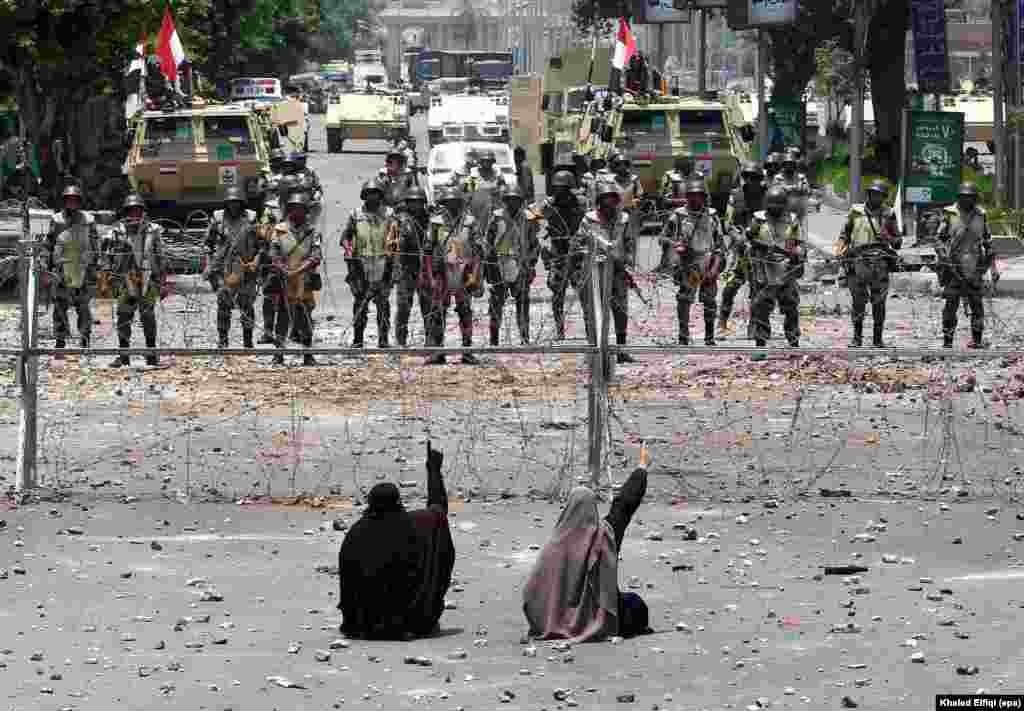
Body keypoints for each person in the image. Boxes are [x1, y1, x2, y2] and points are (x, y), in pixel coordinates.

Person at [522, 448, 652, 643]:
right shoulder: (604, 538)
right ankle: (592, 624)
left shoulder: (553, 546)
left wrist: (541, 621)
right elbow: (624, 505)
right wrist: (642, 467)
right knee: (635, 604)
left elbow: (530, 592)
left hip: (552, 622)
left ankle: (558, 624)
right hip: (597, 620)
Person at [338, 441, 455, 640]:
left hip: (362, 624)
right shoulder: (416, 525)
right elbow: (438, 509)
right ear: (398, 502)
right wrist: (434, 470)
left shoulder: (356, 533)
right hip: (411, 623)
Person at [835, 180, 902, 348]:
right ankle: (857, 338)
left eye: (879, 195)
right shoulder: (855, 212)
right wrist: (840, 251)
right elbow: (844, 235)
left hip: (879, 263)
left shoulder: (889, 214)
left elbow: (898, 243)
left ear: (884, 197)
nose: (875, 198)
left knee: (879, 303)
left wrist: (888, 237)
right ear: (869, 194)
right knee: (858, 302)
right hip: (857, 261)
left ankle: (877, 340)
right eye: (873, 194)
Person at [104, 194, 168, 367]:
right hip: (125, 279)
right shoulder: (116, 231)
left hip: (148, 279)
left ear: (143, 212)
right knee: (124, 317)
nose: (135, 214)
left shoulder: (153, 230)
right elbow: (107, 257)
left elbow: (161, 257)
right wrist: (108, 279)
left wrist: (163, 283)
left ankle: (151, 355)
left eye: (138, 210)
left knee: (148, 317)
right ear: (126, 212)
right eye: (131, 211)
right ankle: (124, 356)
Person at [577, 180, 635, 363]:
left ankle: (621, 349)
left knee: (620, 309)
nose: (610, 204)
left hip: (618, 270)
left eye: (613, 199)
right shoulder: (589, 220)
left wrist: (628, 265)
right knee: (593, 310)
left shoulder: (623, 219)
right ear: (600, 201)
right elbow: (579, 242)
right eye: (606, 199)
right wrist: (590, 254)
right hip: (595, 270)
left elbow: (629, 243)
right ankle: (594, 349)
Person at [661, 180, 725, 345]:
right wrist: (676, 245)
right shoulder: (678, 215)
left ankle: (709, 337)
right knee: (685, 299)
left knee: (709, 300)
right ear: (686, 196)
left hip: (708, 263)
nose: (695, 199)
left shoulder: (712, 216)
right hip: (689, 264)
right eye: (691, 195)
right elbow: (663, 238)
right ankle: (683, 335)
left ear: (704, 197)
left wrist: (714, 268)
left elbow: (719, 246)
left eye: (698, 196)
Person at [936, 182, 994, 349]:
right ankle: (947, 342)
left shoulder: (981, 215)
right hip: (953, 267)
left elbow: (987, 240)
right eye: (964, 197)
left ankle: (977, 341)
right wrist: (943, 256)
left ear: (975, 198)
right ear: (959, 198)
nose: (967, 200)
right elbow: (939, 239)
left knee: (977, 306)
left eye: (970, 197)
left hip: (974, 267)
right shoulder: (949, 214)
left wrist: (991, 264)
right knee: (950, 306)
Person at [266, 193, 322, 366]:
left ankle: (307, 353)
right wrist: (284, 270)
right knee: (283, 316)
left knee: (305, 316)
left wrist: (299, 270)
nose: (297, 212)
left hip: (305, 278)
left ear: (306, 211)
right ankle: (279, 353)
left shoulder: (312, 231)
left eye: (301, 209)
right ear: (289, 210)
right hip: (284, 278)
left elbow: (316, 256)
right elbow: (273, 254)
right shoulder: (279, 230)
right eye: (294, 208)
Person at [426, 183, 479, 365]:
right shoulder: (435, 223)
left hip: (464, 271)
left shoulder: (470, 222)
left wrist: (475, 274)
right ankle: (438, 351)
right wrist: (430, 276)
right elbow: (428, 250)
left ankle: (467, 350)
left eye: (456, 202)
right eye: (448, 202)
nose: (452, 206)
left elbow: (478, 250)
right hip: (442, 271)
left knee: (465, 311)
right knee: (438, 312)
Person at [747, 185, 804, 348]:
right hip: (765, 269)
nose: (775, 209)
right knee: (761, 308)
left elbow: (799, 243)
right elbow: (749, 239)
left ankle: (793, 342)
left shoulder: (792, 220)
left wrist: (797, 254)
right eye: (772, 206)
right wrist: (760, 248)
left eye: (778, 206)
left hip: (786, 270)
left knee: (791, 307)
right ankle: (760, 344)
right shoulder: (759, 220)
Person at [45, 185, 99, 351]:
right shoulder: (57, 220)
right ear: (64, 201)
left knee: (83, 306)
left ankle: (85, 339)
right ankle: (60, 340)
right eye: (69, 200)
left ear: (80, 202)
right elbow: (49, 244)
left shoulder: (88, 220)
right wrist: (47, 268)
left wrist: (95, 267)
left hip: (83, 268)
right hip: (62, 269)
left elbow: (95, 245)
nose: (72, 203)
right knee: (60, 306)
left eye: (75, 200)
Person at [535, 170, 587, 340]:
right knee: (557, 293)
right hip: (558, 251)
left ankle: (589, 327)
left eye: (564, 188)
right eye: (558, 188)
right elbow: (540, 216)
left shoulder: (580, 203)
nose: (560, 191)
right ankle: (559, 330)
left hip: (577, 251)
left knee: (583, 293)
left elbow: (586, 219)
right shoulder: (549, 204)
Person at [341, 181, 393, 349]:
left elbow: (396, 237)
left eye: (375, 193)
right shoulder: (356, 214)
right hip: (361, 264)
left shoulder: (389, 214)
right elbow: (345, 237)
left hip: (383, 263)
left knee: (383, 304)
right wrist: (348, 249)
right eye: (369, 193)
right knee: (360, 304)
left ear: (380, 195)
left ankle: (383, 340)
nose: (373, 197)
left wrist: (393, 255)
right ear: (364, 195)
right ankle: (358, 340)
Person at [207, 187, 261, 349]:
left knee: (247, 305)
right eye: (231, 203)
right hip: (225, 268)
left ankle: (247, 341)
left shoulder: (251, 218)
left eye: (237, 202)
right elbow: (208, 245)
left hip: (246, 267)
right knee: (224, 305)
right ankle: (223, 340)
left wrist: (256, 262)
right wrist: (210, 268)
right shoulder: (218, 219)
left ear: (242, 203)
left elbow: (261, 245)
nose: (234, 206)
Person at [485, 184, 538, 345]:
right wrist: (489, 267)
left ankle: (524, 337)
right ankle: (494, 339)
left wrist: (531, 263)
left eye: (516, 200)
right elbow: (488, 242)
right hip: (500, 263)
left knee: (523, 302)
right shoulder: (497, 217)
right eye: (509, 200)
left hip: (521, 263)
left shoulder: (528, 218)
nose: (512, 203)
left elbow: (534, 243)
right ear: (505, 201)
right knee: (496, 303)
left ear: (521, 201)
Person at [719, 162, 767, 334]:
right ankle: (722, 322)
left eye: (755, 178)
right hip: (741, 251)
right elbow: (727, 224)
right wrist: (739, 238)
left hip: (761, 250)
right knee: (730, 287)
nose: (751, 181)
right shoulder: (735, 196)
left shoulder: (768, 197)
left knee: (757, 290)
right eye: (748, 177)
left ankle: (754, 325)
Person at [393, 186, 434, 348]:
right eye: (412, 202)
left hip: (426, 268)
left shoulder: (431, 219)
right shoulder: (400, 220)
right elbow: (394, 247)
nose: (415, 205)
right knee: (403, 306)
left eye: (418, 202)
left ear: (423, 202)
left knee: (428, 306)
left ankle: (430, 340)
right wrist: (396, 270)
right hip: (406, 268)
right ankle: (400, 341)